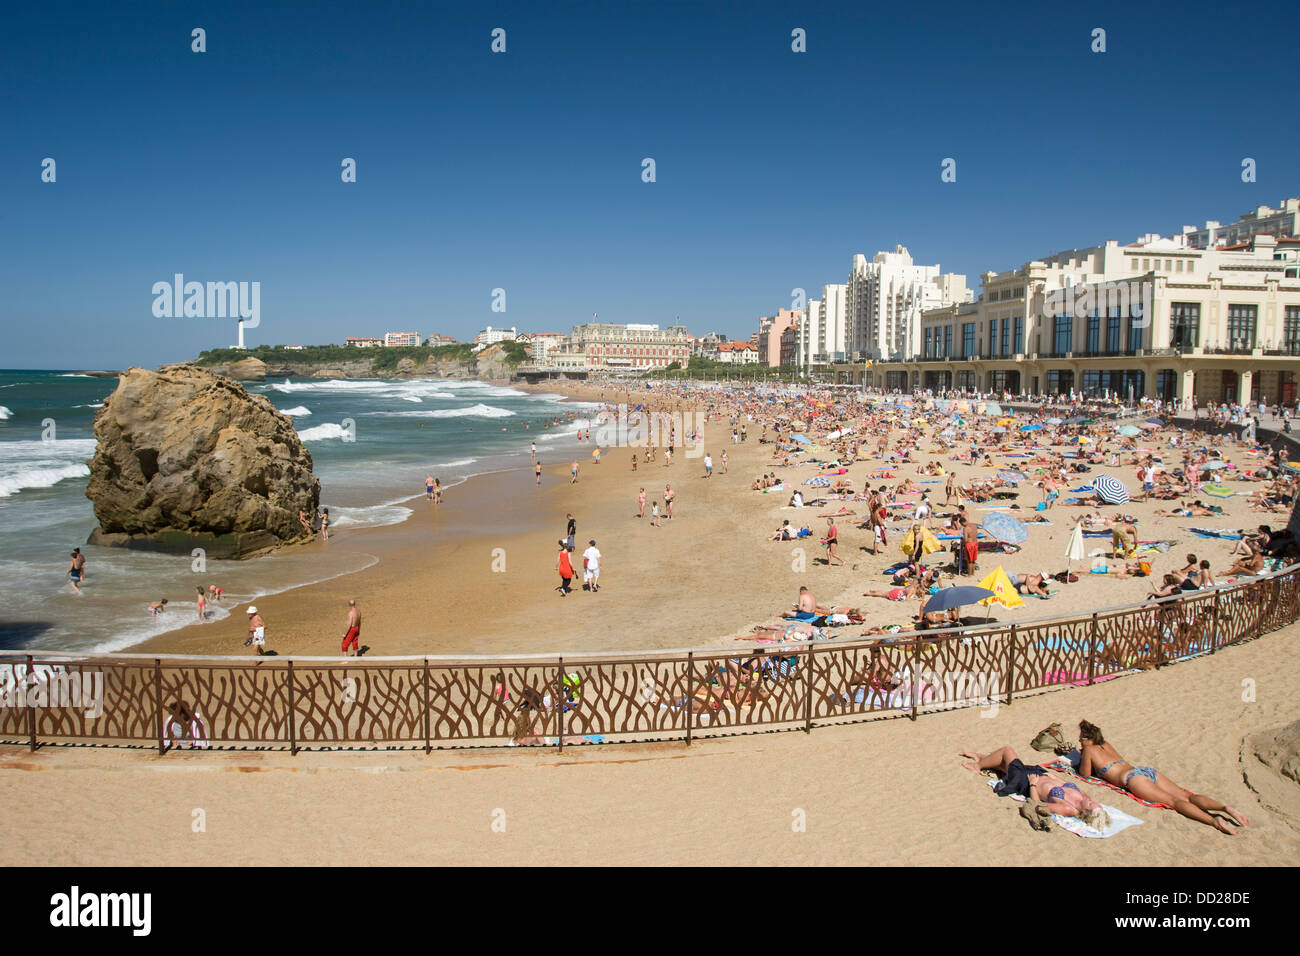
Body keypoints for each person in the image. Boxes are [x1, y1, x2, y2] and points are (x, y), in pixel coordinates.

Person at [1077, 720, 1248, 835]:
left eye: (1081, 740)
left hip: (1133, 779)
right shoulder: (1106, 744)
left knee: (1174, 802)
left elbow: (1085, 774)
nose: (1079, 742)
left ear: (1088, 739)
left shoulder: (1089, 750)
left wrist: (1082, 756)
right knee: (1187, 796)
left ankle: (1214, 821)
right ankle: (1225, 808)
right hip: (1145, 771)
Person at [960, 745, 1111, 830]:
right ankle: (982, 757)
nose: (1091, 800)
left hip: (1026, 783)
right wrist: (1052, 776)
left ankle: (978, 765)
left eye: (1091, 805)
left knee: (1007, 751)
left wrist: (1032, 785)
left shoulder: (1068, 809)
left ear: (1085, 812)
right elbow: (1063, 785)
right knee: (1008, 763)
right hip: (1039, 774)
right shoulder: (1083, 797)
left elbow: (1037, 805)